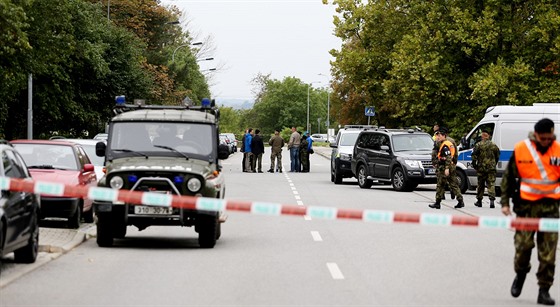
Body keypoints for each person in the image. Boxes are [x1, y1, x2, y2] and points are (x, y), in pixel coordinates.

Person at [501, 118, 559, 306]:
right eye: (542, 138)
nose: (545, 141)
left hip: (551, 209)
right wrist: (504, 203)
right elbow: (509, 177)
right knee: (523, 247)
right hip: (526, 208)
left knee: (548, 255)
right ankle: (521, 273)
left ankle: (544, 290)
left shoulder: (558, 149)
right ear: (535, 134)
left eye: (548, 138)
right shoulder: (521, 148)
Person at [429, 127, 465, 209]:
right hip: (451, 165)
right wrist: (454, 163)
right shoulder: (451, 142)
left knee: (440, 185)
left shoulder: (444, 144)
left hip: (444, 166)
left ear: (443, 135)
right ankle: (460, 201)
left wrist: (446, 168)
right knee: (453, 184)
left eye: (440, 135)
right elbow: (455, 154)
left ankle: (437, 203)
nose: (438, 137)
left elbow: (447, 156)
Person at [471, 128, 500, 208]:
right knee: (491, 183)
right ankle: (491, 201)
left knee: (480, 184)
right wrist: (494, 164)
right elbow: (497, 156)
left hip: (481, 168)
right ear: (488, 136)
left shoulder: (478, 145)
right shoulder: (494, 145)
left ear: (482, 136)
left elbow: (474, 156)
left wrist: (475, 165)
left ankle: (479, 201)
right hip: (491, 168)